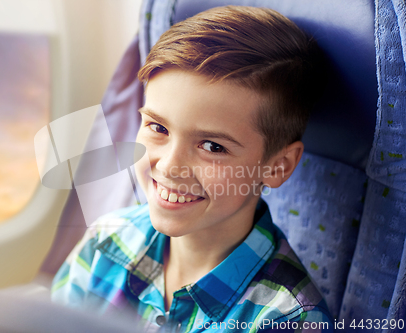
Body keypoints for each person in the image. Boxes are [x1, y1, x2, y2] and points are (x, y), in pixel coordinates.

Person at [52, 6, 332, 332]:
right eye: (158, 128)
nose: (170, 166)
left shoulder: (289, 320)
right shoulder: (108, 241)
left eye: (212, 147)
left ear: (278, 166)